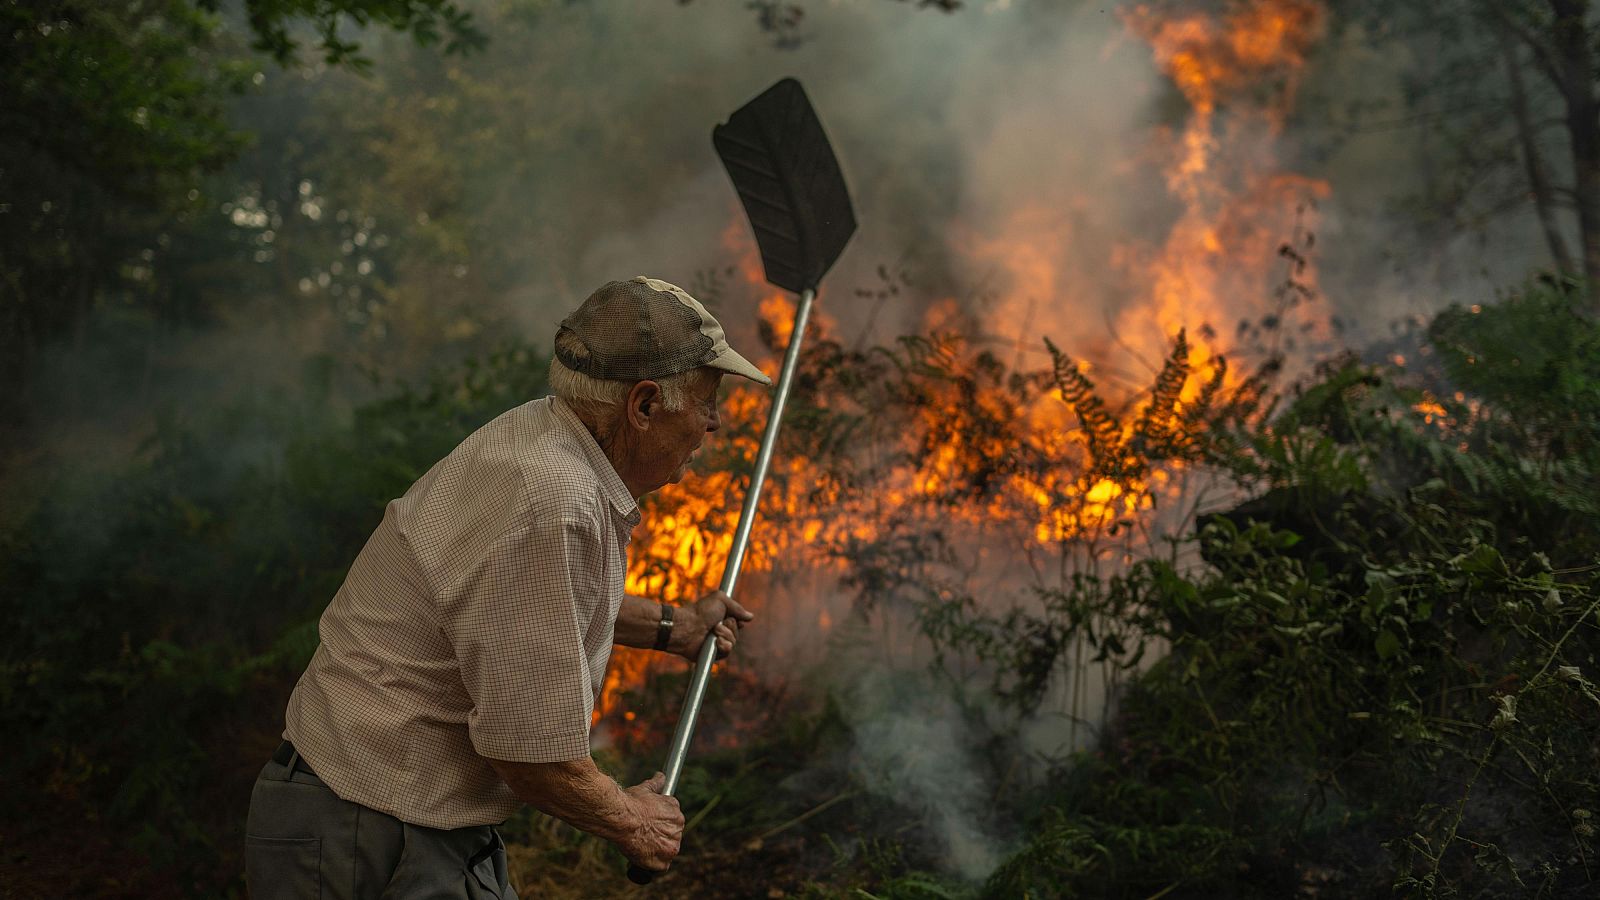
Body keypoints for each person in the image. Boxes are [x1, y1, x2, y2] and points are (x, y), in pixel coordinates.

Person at [244, 276, 767, 899]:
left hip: (389, 819)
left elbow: (528, 608)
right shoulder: (551, 498)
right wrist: (632, 820)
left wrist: (671, 626)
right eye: (707, 403)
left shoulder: (548, 440)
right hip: (367, 833)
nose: (713, 424)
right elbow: (529, 751)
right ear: (646, 405)